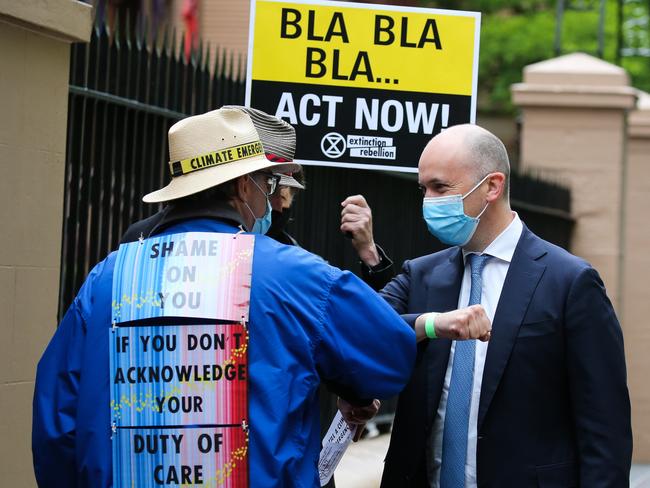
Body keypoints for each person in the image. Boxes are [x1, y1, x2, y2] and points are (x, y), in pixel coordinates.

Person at [32, 108, 491, 487]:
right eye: (268, 184)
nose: (271, 198)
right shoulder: (297, 274)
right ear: (242, 187)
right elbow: (388, 360)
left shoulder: (107, 277)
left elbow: (57, 422)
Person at [343, 124, 632, 487]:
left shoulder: (570, 282)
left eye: (440, 188)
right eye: (423, 189)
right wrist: (429, 320)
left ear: (492, 187)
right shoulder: (422, 275)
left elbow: (604, 427)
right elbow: (362, 329)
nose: (428, 201)